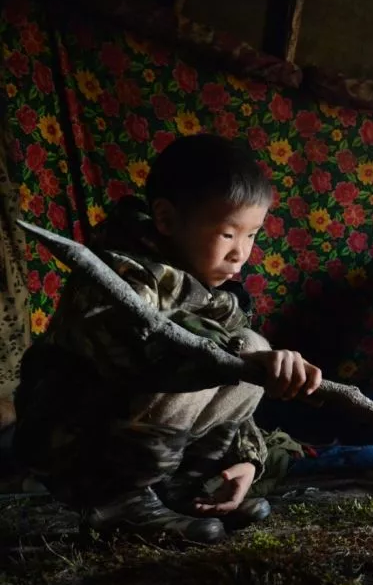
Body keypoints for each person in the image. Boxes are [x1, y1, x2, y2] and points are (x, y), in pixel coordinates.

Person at [14, 134, 322, 544]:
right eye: (228, 234)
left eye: (252, 235)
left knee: (251, 346)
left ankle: (180, 491)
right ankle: (119, 502)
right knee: (233, 354)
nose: (241, 254)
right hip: (77, 446)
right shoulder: (116, 275)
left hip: (141, 449)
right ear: (165, 219)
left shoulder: (213, 294)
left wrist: (246, 458)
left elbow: (229, 367)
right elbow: (147, 360)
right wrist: (240, 359)